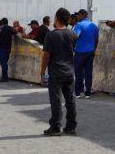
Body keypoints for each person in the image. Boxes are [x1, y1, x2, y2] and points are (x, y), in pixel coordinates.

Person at [40, 7, 77, 136]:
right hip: (69, 72)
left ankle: (55, 127)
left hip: (56, 73)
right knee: (70, 100)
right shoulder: (72, 34)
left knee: (56, 100)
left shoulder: (51, 35)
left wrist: (42, 72)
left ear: (56, 18)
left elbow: (46, 56)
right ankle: (71, 126)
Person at [74, 9, 99, 99]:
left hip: (80, 52)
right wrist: (93, 49)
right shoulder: (94, 26)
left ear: (81, 15)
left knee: (78, 72)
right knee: (88, 72)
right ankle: (87, 93)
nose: (77, 17)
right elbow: (96, 40)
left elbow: (76, 36)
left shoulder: (79, 25)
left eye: (77, 15)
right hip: (90, 52)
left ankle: (78, 93)